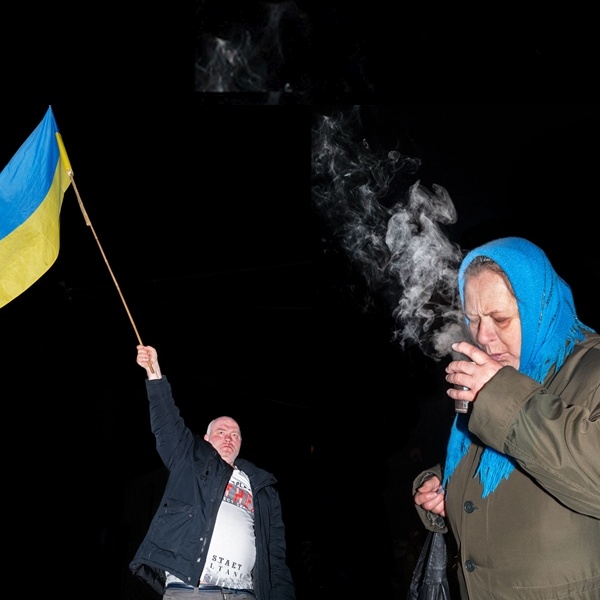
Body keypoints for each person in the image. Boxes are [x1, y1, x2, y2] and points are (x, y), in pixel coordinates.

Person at [412, 236, 600, 599]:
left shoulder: (592, 369)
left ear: (540, 308)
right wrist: (445, 487)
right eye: (472, 318)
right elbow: (499, 469)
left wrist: (498, 397)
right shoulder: (492, 380)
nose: (484, 336)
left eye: (500, 318)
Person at [129, 345, 296, 600]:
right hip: (193, 590)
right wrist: (154, 372)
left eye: (235, 434)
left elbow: (275, 557)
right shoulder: (190, 460)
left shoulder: (262, 488)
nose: (228, 438)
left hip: (245, 593)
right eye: (221, 432)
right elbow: (166, 422)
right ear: (206, 438)